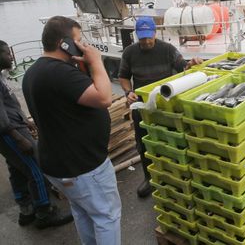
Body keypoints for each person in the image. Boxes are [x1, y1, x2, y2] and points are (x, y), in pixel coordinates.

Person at [22, 16, 121, 244]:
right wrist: (96, 61)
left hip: (58, 164)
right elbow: (104, 97)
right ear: (64, 43)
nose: (82, 45)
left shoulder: (35, 71)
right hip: (84, 167)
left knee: (84, 211)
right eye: (78, 40)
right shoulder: (60, 73)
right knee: (107, 216)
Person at [119, 16, 202, 198]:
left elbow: (182, 67)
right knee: (143, 142)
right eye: (142, 38)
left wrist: (191, 64)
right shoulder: (129, 53)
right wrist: (127, 92)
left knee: (169, 141)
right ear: (136, 36)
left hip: (165, 103)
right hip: (141, 104)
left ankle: (172, 177)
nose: (146, 41)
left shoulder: (167, 49)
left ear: (155, 33)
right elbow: (123, 76)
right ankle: (149, 177)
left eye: (149, 36)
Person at [0, 40, 73, 229]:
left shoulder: (1, 77)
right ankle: (44, 212)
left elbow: (9, 105)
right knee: (35, 168)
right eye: (7, 53)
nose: (11, 56)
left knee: (16, 168)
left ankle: (26, 209)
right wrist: (18, 137)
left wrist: (25, 120)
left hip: (15, 126)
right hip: (10, 132)